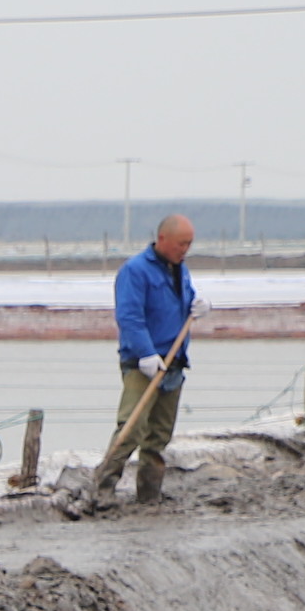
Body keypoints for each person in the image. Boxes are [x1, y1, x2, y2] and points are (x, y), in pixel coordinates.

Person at [99, 214, 198, 503]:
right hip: (143, 365)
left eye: (189, 244)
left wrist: (195, 306)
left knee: (159, 435)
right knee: (131, 427)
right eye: (181, 244)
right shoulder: (135, 271)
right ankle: (102, 490)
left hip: (173, 362)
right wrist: (146, 353)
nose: (185, 250)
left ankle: (149, 494)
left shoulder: (180, 270)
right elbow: (129, 317)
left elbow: (182, 303)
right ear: (162, 239)